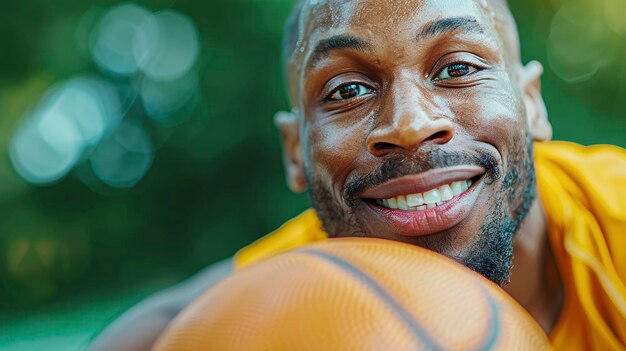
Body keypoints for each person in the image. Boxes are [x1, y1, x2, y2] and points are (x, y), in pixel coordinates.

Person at [89, 0, 626, 350]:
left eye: (457, 67)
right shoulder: (300, 294)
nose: (411, 125)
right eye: (347, 90)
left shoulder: (614, 219)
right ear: (296, 151)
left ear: (531, 105)